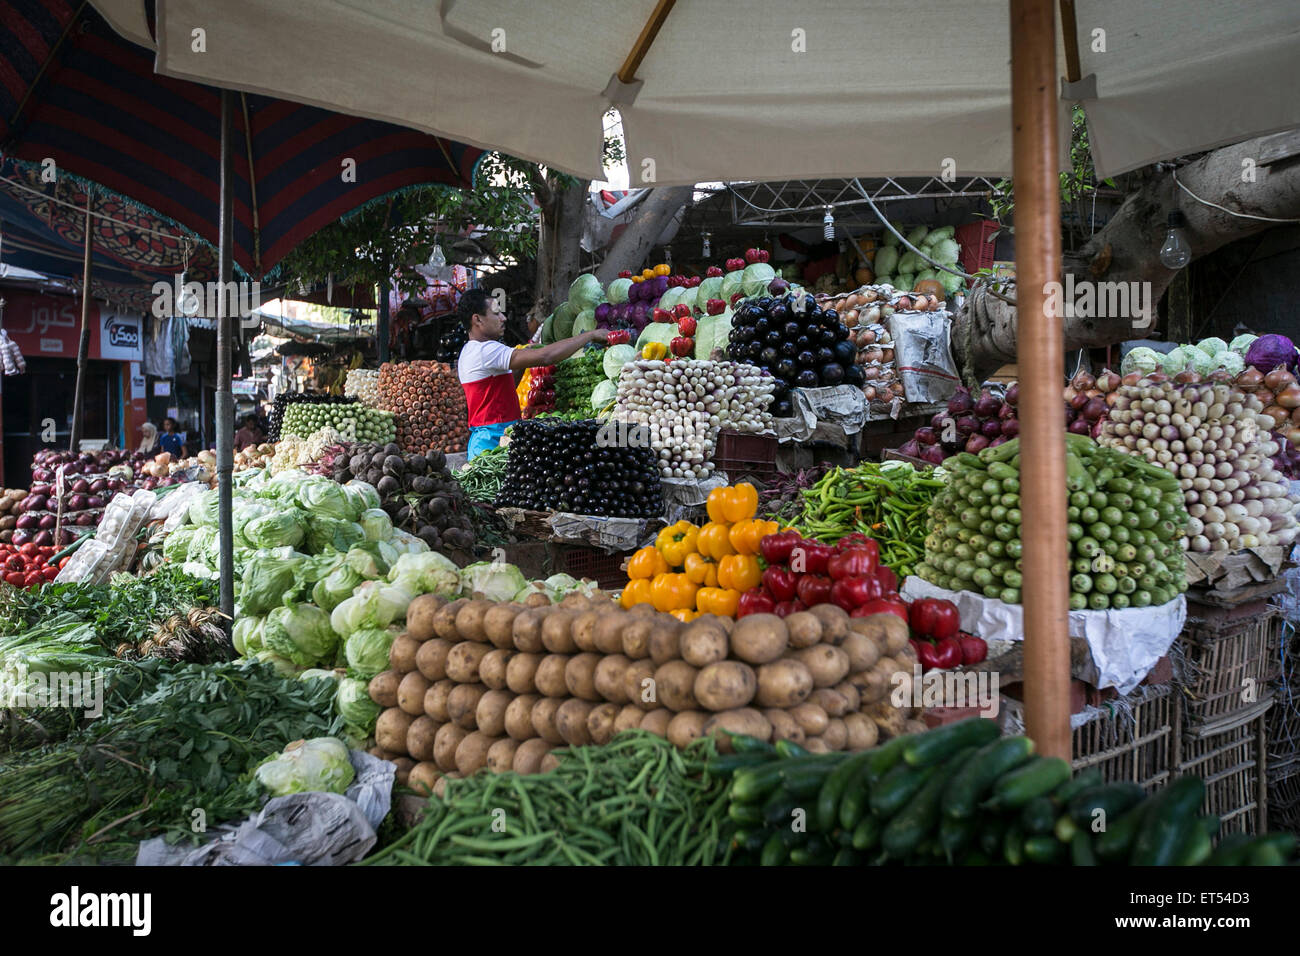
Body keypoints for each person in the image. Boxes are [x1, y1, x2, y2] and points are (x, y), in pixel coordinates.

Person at [457, 288, 605, 459]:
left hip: (490, 440)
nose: (503, 319)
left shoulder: (469, 351)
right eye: (496, 313)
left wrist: (524, 358)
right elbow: (546, 357)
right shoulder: (486, 350)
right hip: (491, 444)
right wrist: (589, 336)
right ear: (477, 319)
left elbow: (505, 390)